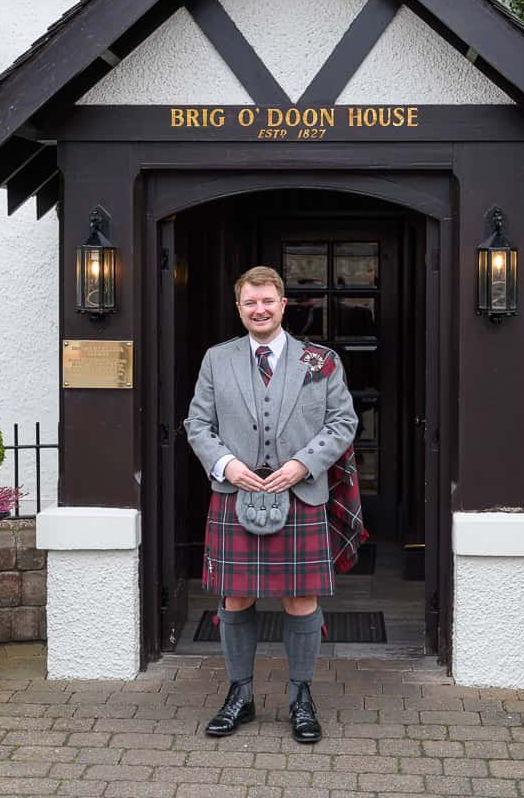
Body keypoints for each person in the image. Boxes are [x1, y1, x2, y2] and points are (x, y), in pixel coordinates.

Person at [184, 266, 358, 744]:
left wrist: (303, 464)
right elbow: (197, 424)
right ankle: (240, 695)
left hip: (299, 495)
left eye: (267, 301)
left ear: (283, 305)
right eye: (249, 303)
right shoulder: (217, 360)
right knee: (235, 597)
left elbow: (343, 423)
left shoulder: (319, 361)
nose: (258, 309)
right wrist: (225, 464)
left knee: (300, 599)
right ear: (238, 309)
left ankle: (301, 697)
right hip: (235, 495)